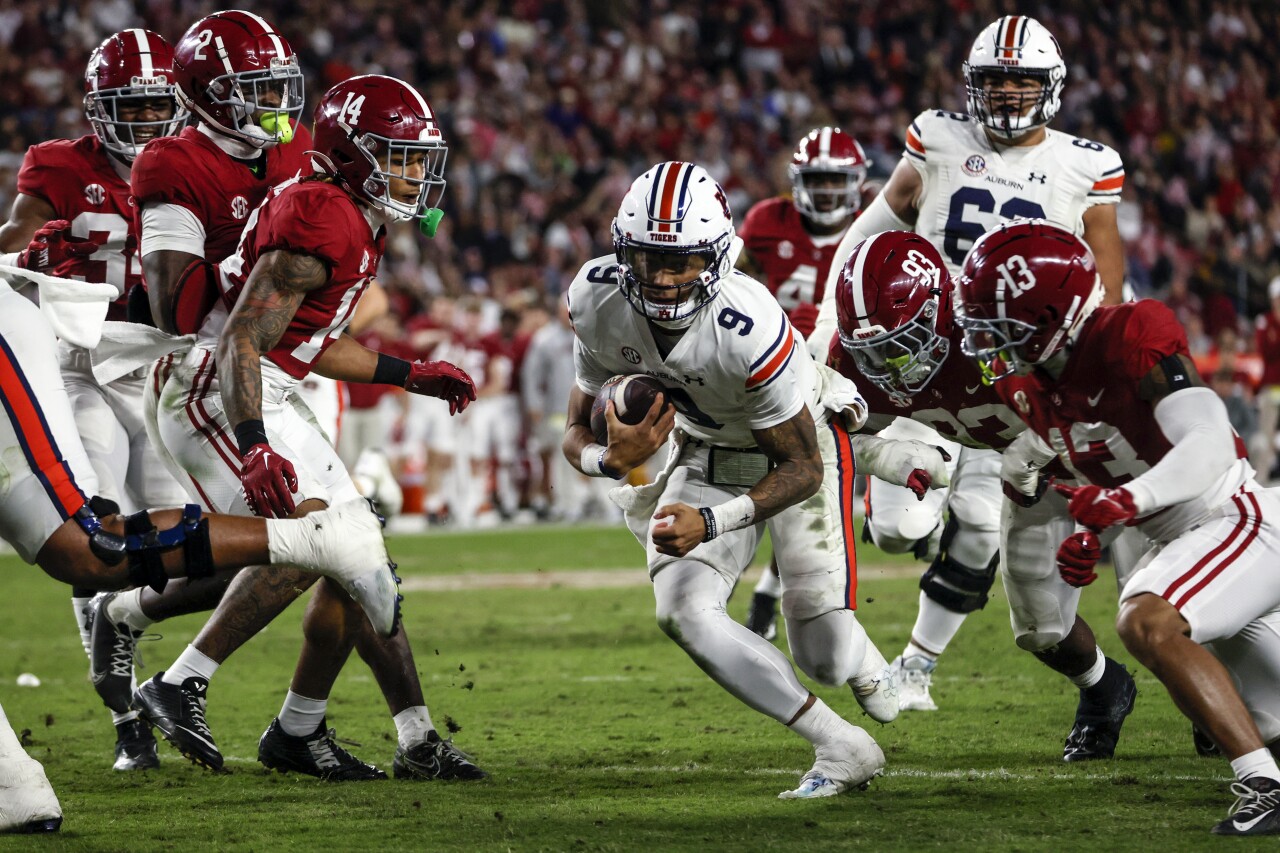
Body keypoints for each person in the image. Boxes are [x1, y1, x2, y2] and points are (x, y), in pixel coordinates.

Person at [128, 70, 485, 783]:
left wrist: (410, 373)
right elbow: (241, 339)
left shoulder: (349, 215)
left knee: (364, 558)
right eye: (401, 156)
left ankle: (348, 734)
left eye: (420, 158)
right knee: (312, 534)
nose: (417, 174)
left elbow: (308, 343)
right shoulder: (325, 214)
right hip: (217, 385)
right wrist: (255, 443)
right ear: (354, 155)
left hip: (269, 379)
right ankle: (179, 679)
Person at [562, 160, 951, 798]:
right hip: (707, 448)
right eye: (647, 259)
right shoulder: (597, 298)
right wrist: (607, 460)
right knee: (682, 610)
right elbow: (575, 430)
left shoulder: (746, 327)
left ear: (715, 257)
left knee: (821, 656)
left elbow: (802, 466)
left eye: (680, 262)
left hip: (800, 448)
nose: (660, 280)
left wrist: (710, 522)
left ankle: (861, 659)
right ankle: (841, 745)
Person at [0, 267, 398, 833]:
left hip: (183, 371)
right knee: (107, 551)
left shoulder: (305, 208)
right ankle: (136, 714)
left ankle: (307, 557)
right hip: (159, 368)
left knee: (89, 549)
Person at [807, 15, 1127, 712]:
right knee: (897, 528)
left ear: (1052, 86)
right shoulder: (939, 138)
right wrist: (832, 322)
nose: (1009, 93)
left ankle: (919, 663)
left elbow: (1106, 285)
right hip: (920, 356)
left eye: (1022, 79)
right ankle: (946, 518)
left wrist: (1082, 378)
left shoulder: (1086, 163)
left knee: (987, 521)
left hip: (1013, 368)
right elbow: (868, 235)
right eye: (995, 79)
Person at [955, 219, 1280, 836]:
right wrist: (1089, 535)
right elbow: (1112, 466)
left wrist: (1127, 501)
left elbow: (1209, 440)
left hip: (1232, 516)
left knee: (1145, 619)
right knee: (1269, 724)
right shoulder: (1033, 387)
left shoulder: (1132, 333)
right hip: (1184, 538)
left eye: (1008, 330)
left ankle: (1260, 787)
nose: (995, 345)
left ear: (1059, 317)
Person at [830, 229, 1138, 759]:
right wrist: (889, 456)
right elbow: (830, 437)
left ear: (939, 310)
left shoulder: (994, 326)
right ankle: (1104, 689)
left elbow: (1094, 392)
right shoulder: (859, 360)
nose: (885, 366)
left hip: (1118, 454)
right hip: (1035, 474)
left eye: (898, 346)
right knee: (1040, 627)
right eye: (871, 352)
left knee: (1155, 603)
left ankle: (1232, 702)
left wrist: (1037, 448)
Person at [0, 29, 192, 772]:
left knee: (183, 551)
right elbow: (17, 231)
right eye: (129, 106)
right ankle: (125, 714)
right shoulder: (57, 164)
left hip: (160, 369)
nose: (145, 123)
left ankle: (135, 638)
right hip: (80, 363)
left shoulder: (193, 166)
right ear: (96, 108)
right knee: (100, 533)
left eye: (155, 105)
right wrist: (16, 252)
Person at [735, 127, 867, 641]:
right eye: (819, 180)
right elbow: (737, 284)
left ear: (856, 184)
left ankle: (770, 597)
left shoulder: (871, 225)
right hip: (773, 364)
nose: (830, 191)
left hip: (839, 369)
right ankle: (760, 588)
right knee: (777, 477)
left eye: (838, 181)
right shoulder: (766, 221)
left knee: (813, 482)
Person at [1251, 276, 1280, 485]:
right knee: (1265, 438)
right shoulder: (1264, 322)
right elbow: (1267, 352)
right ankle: (1259, 483)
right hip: (1271, 388)